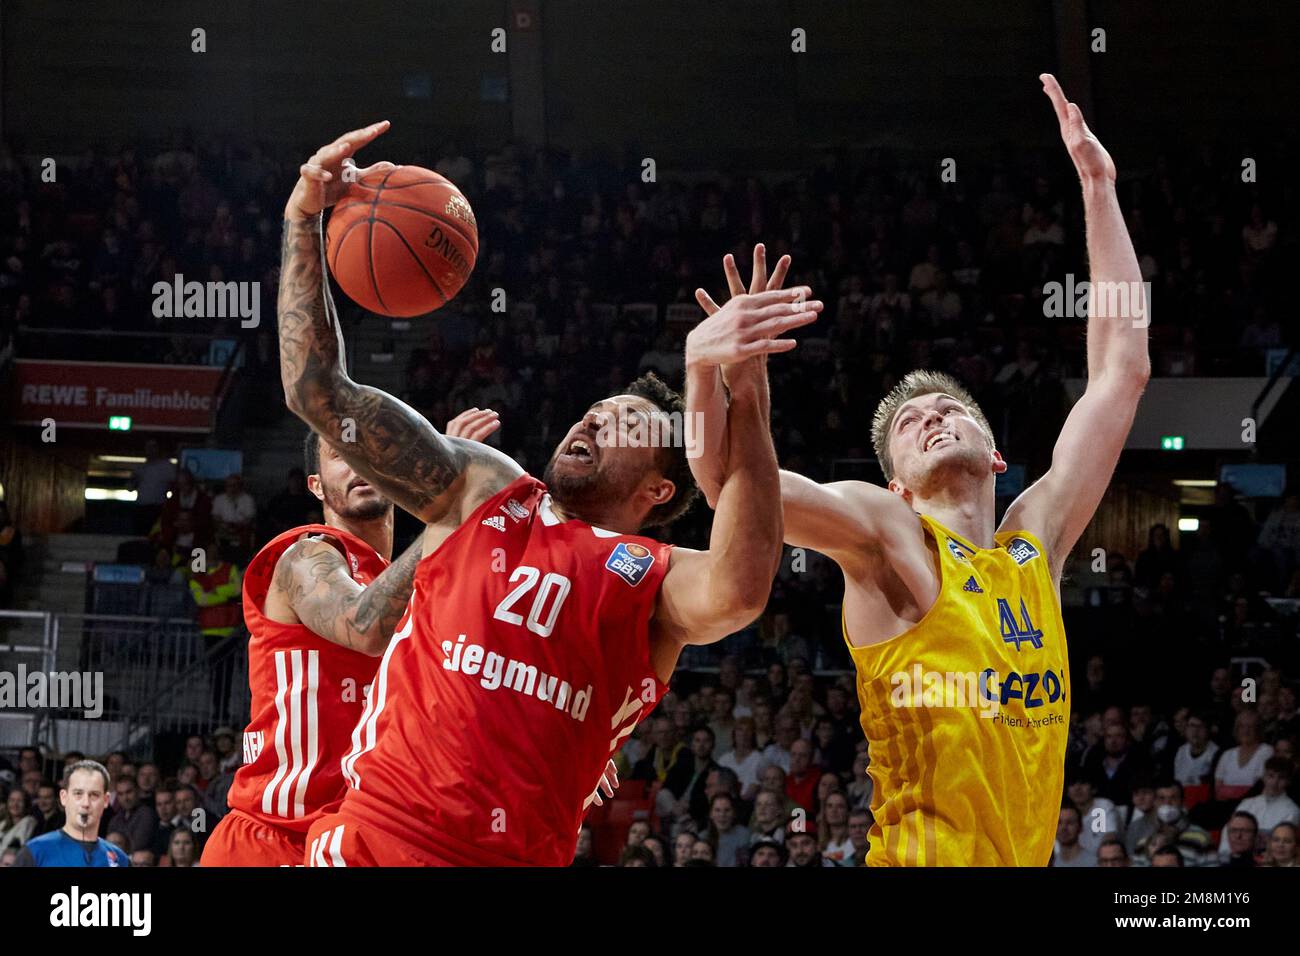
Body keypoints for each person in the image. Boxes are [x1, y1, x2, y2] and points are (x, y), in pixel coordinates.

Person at [279, 122, 807, 867]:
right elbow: (318, 393)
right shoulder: (483, 486)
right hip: (377, 840)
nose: (595, 416)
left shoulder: (651, 578)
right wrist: (303, 218)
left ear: (659, 487)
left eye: (625, 422)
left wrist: (745, 390)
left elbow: (744, 586)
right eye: (597, 408)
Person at [690, 75, 1149, 866]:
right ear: (897, 483)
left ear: (997, 455)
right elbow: (731, 487)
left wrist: (1099, 187)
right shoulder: (887, 530)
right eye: (910, 422)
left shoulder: (1032, 545)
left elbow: (1121, 370)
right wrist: (704, 369)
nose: (932, 415)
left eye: (951, 410)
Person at [201, 415, 494, 866]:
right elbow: (363, 627)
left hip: (362, 841)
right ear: (316, 486)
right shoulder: (304, 555)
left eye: (374, 451)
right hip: (275, 836)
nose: (359, 461)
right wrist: (448, 507)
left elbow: (471, 689)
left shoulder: (428, 588)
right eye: (341, 454)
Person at [12, 761, 129, 866]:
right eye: (78, 793)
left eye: (94, 795)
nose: (85, 803)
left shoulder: (120, 859)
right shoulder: (35, 852)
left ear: (106, 801)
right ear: (63, 797)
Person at [1218, 757, 1300, 858]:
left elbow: (1282, 844)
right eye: (1271, 776)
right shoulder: (1247, 803)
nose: (1274, 782)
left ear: (1288, 781)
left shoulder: (1292, 810)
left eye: (1281, 778)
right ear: (1263, 777)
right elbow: (1228, 831)